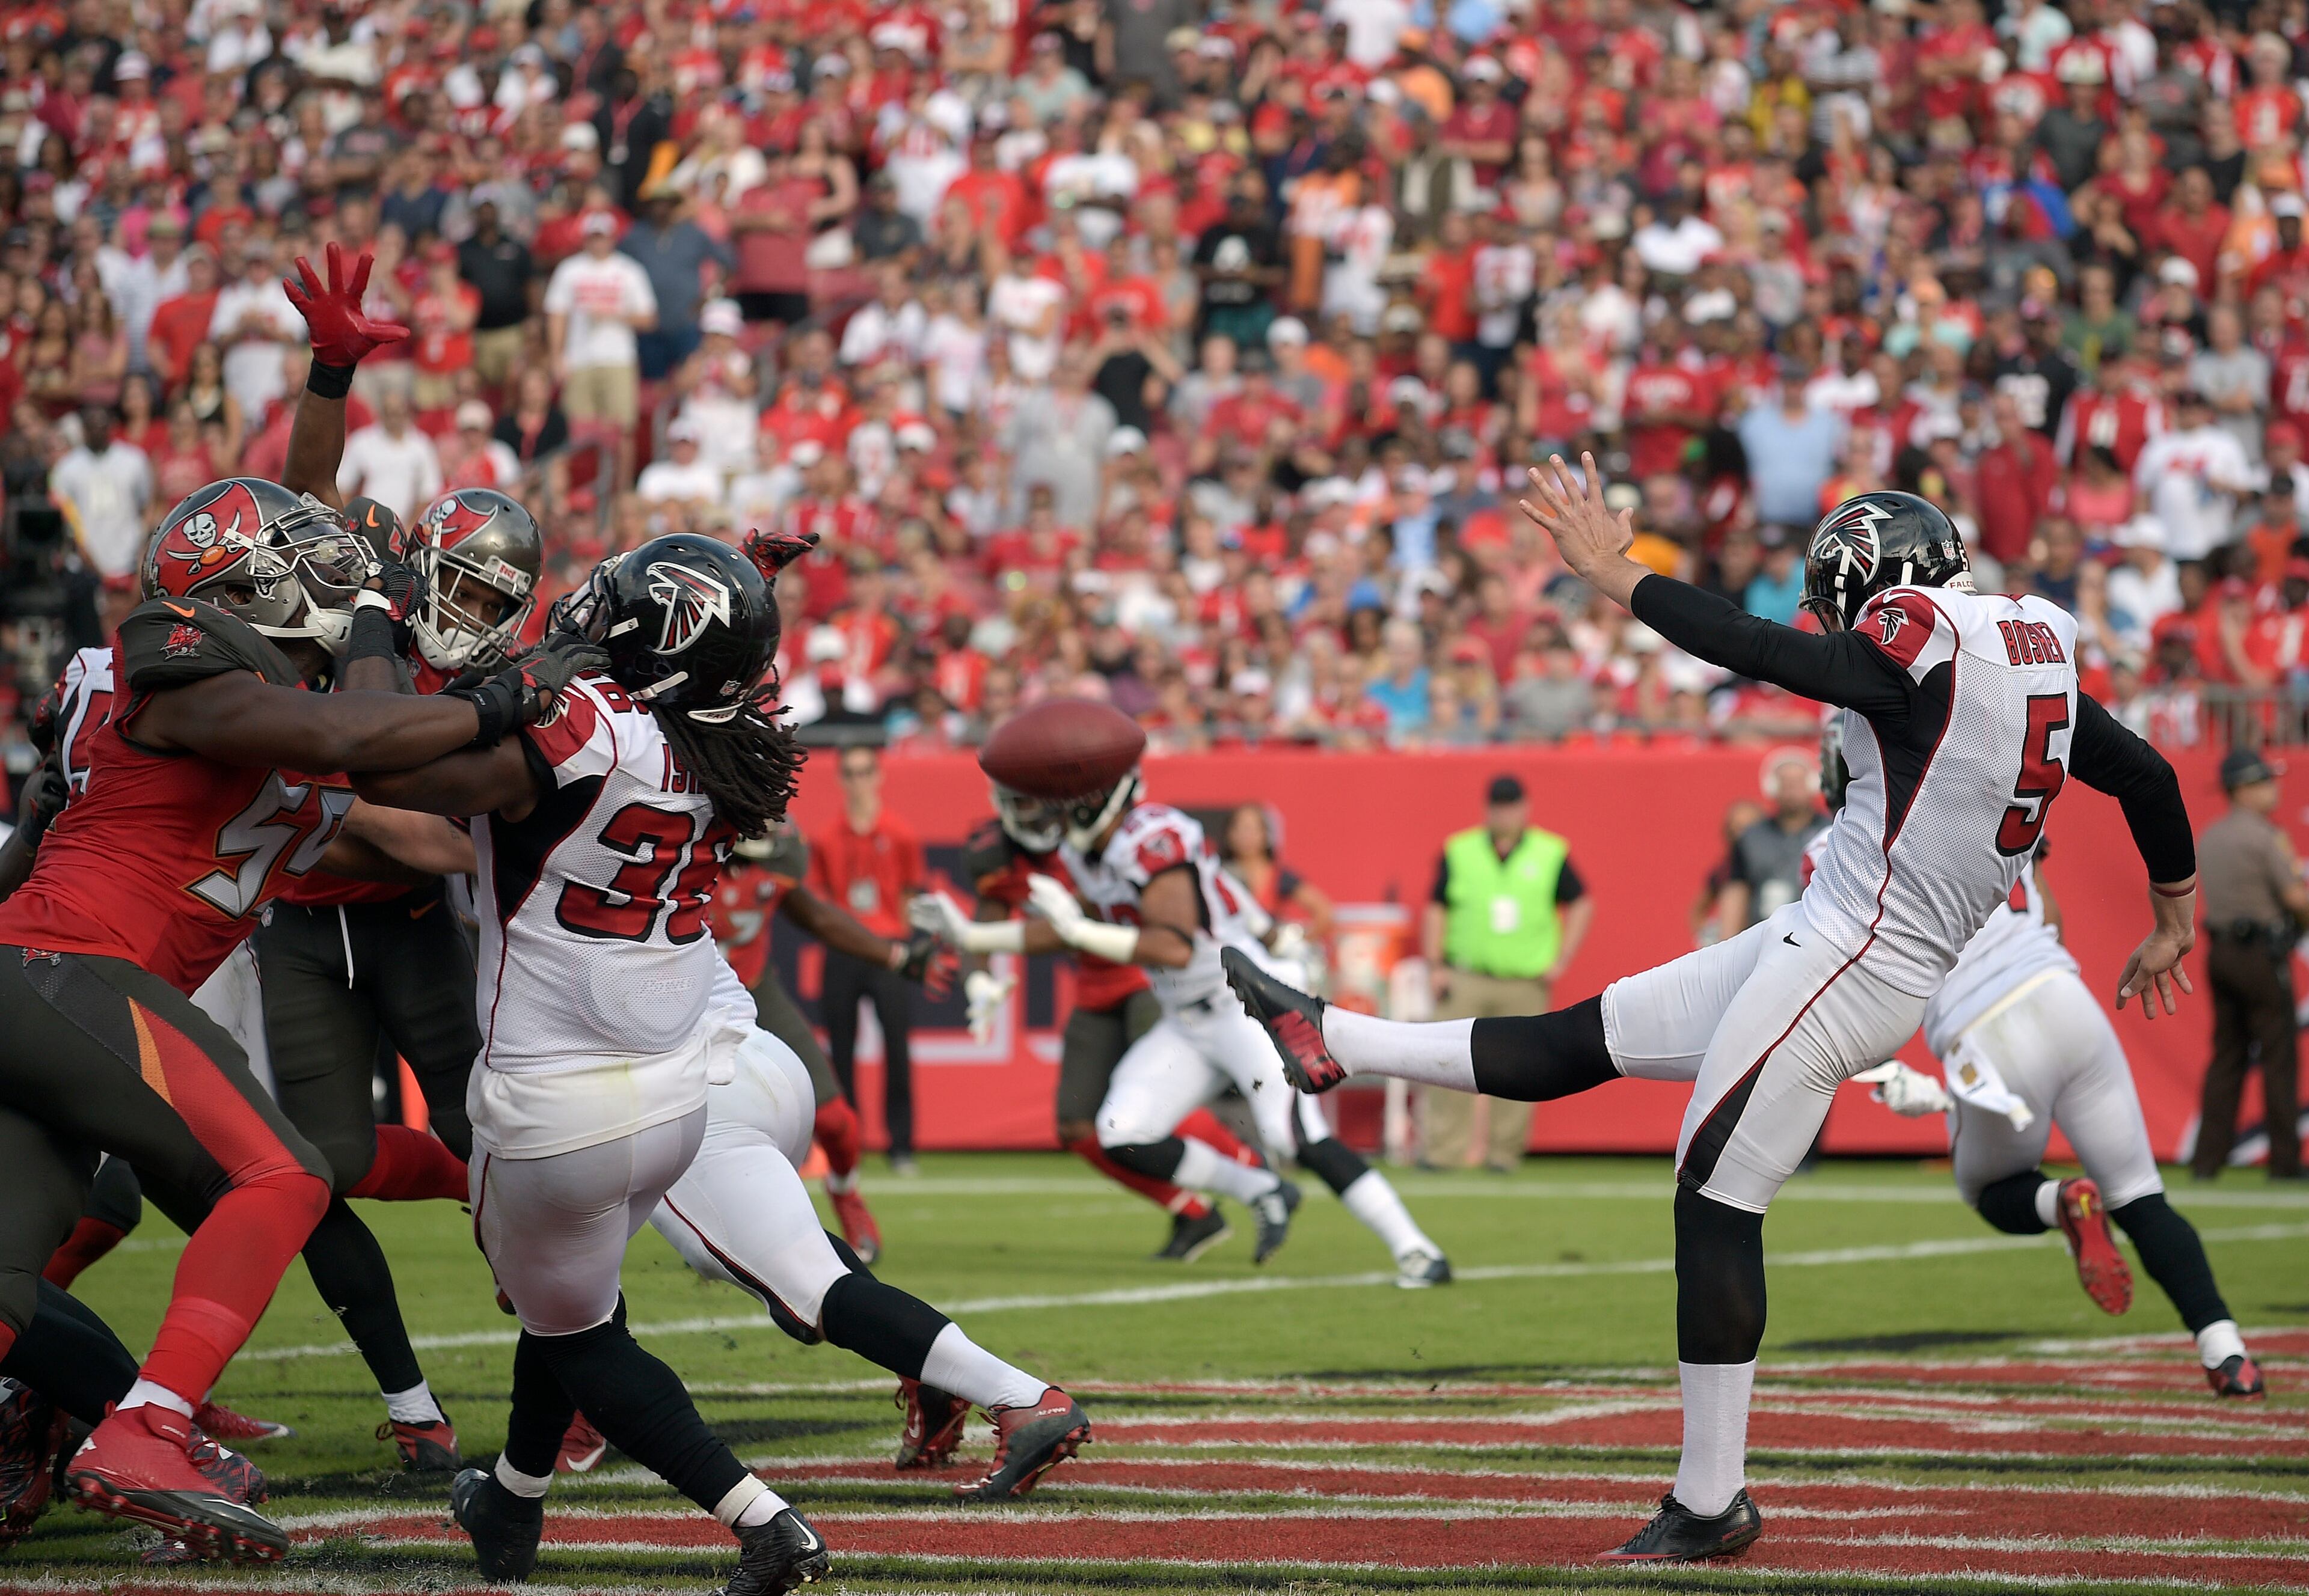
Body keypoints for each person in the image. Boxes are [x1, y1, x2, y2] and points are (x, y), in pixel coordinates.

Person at [1225, 472, 2200, 1562]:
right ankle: (1334, 1039)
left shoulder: (1922, 634)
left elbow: (1766, 650)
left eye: (1843, 605)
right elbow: (2147, 774)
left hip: (1857, 959)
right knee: (1588, 1036)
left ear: (1882, 582)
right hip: (1829, 931)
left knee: (1714, 1194)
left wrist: (1615, 575)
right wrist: (2173, 910)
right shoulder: (2034, 642)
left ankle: (1709, 1500)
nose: (1839, 628)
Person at [351, 533, 831, 1593]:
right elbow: (711, 680)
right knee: (565, 1298)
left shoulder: (586, 726)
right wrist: (741, 595)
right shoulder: (727, 743)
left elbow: (379, 757)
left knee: (576, 1331)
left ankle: (763, 1521)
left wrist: (378, 619)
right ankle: (513, 1501)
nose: (587, 611)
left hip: (552, 1102)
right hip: (672, 1098)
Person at [916, 699, 1453, 1288]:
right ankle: (1262, 1189)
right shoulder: (1081, 851)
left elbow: (1172, 945)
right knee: (1122, 1131)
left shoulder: (1155, 836)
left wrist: (1078, 930)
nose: (1064, 815)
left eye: (1075, 802)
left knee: (1292, 1133)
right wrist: (975, 936)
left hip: (1246, 1005)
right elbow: (1077, 926)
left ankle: (1417, 1249)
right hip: (1185, 1017)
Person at [1843, 806, 2264, 1398]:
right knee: (2139, 1194)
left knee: (1987, 1189)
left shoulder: (1851, 840)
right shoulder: (2001, 789)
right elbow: (2049, 910)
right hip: (2059, 993)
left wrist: (1890, 1064)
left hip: (1980, 1024)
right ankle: (2228, 1353)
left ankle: (2062, 1200)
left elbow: (1855, 973)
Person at [913, 804, 1263, 1264]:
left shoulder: (1094, 835)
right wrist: (977, 980)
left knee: (1152, 1103)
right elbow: (983, 928)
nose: (1036, 814)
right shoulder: (999, 855)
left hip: (1145, 976)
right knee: (1077, 1124)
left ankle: (1255, 1171)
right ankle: (1194, 1212)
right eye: (1022, 803)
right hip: (1095, 987)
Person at [708, 819, 949, 1267]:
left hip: (754, 988)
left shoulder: (779, 857)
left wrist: (894, 956)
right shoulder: (688, 848)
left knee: (835, 1118)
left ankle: (846, 1192)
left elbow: (815, 915)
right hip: (680, 996)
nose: (773, 822)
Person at [1418, 774, 1591, 1173]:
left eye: (1511, 806)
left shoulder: (1550, 852)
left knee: (1520, 1066)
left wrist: (1563, 957)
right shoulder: (1461, 850)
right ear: (1487, 810)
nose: (1505, 815)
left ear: (1525, 809)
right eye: (1498, 806)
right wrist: (1435, 963)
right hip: (1466, 973)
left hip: (1524, 978)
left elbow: (1582, 901)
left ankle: (1504, 1153)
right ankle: (1444, 1150)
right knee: (1447, 1060)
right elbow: (1437, 907)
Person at [811, 744, 931, 1174]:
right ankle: (850, 1145)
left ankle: (902, 1146)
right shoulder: (828, 836)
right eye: (851, 773)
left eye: (865, 772)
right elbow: (821, 898)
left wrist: (903, 943)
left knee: (897, 1048)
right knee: (841, 1051)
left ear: (878, 776)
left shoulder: (899, 832)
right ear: (841, 779)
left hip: (886, 949)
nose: (858, 782)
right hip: (845, 948)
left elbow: (911, 893)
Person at [2191, 747, 2306, 1181]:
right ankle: (2285, 1161)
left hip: (2220, 951)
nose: (2272, 790)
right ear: (2241, 789)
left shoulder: (2211, 837)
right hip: (2261, 954)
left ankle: (2207, 1160)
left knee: (2228, 1056)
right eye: (2263, 782)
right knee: (2279, 1056)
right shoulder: (2264, 837)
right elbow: (2294, 898)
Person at [1714, 751, 1828, 940]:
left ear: (1812, 784)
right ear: (1772, 786)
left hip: (1815, 936)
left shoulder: (1830, 831)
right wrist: (1727, 940)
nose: (1791, 790)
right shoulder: (1752, 837)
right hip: (1761, 935)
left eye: (1797, 782)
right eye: (1786, 783)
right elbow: (1736, 890)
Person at [48, 402, 153, 581]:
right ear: (83, 429)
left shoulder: (133, 460)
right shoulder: (66, 468)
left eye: (102, 426)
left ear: (111, 426)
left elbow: (148, 506)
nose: (97, 431)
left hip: (129, 558)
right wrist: (83, 552)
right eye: (92, 426)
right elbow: (64, 516)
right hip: (84, 563)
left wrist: (141, 550)